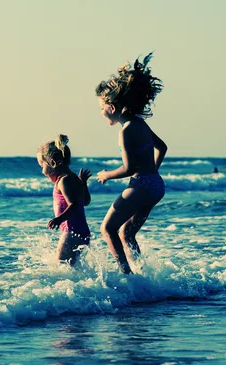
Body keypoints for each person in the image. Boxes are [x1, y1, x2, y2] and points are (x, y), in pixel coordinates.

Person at [94, 53, 167, 274]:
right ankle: (142, 274)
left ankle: (126, 275)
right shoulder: (140, 124)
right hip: (156, 185)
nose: (100, 113)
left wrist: (106, 174)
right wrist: (152, 172)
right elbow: (162, 147)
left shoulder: (125, 132)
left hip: (142, 185)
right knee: (127, 234)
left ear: (112, 108)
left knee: (107, 228)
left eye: (101, 108)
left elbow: (129, 169)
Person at [37, 135, 92, 265]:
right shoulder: (71, 178)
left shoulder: (64, 181)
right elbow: (85, 202)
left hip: (72, 232)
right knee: (72, 267)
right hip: (80, 231)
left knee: (61, 264)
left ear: (53, 163)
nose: (42, 171)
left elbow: (74, 206)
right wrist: (83, 184)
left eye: (42, 166)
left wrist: (59, 219)